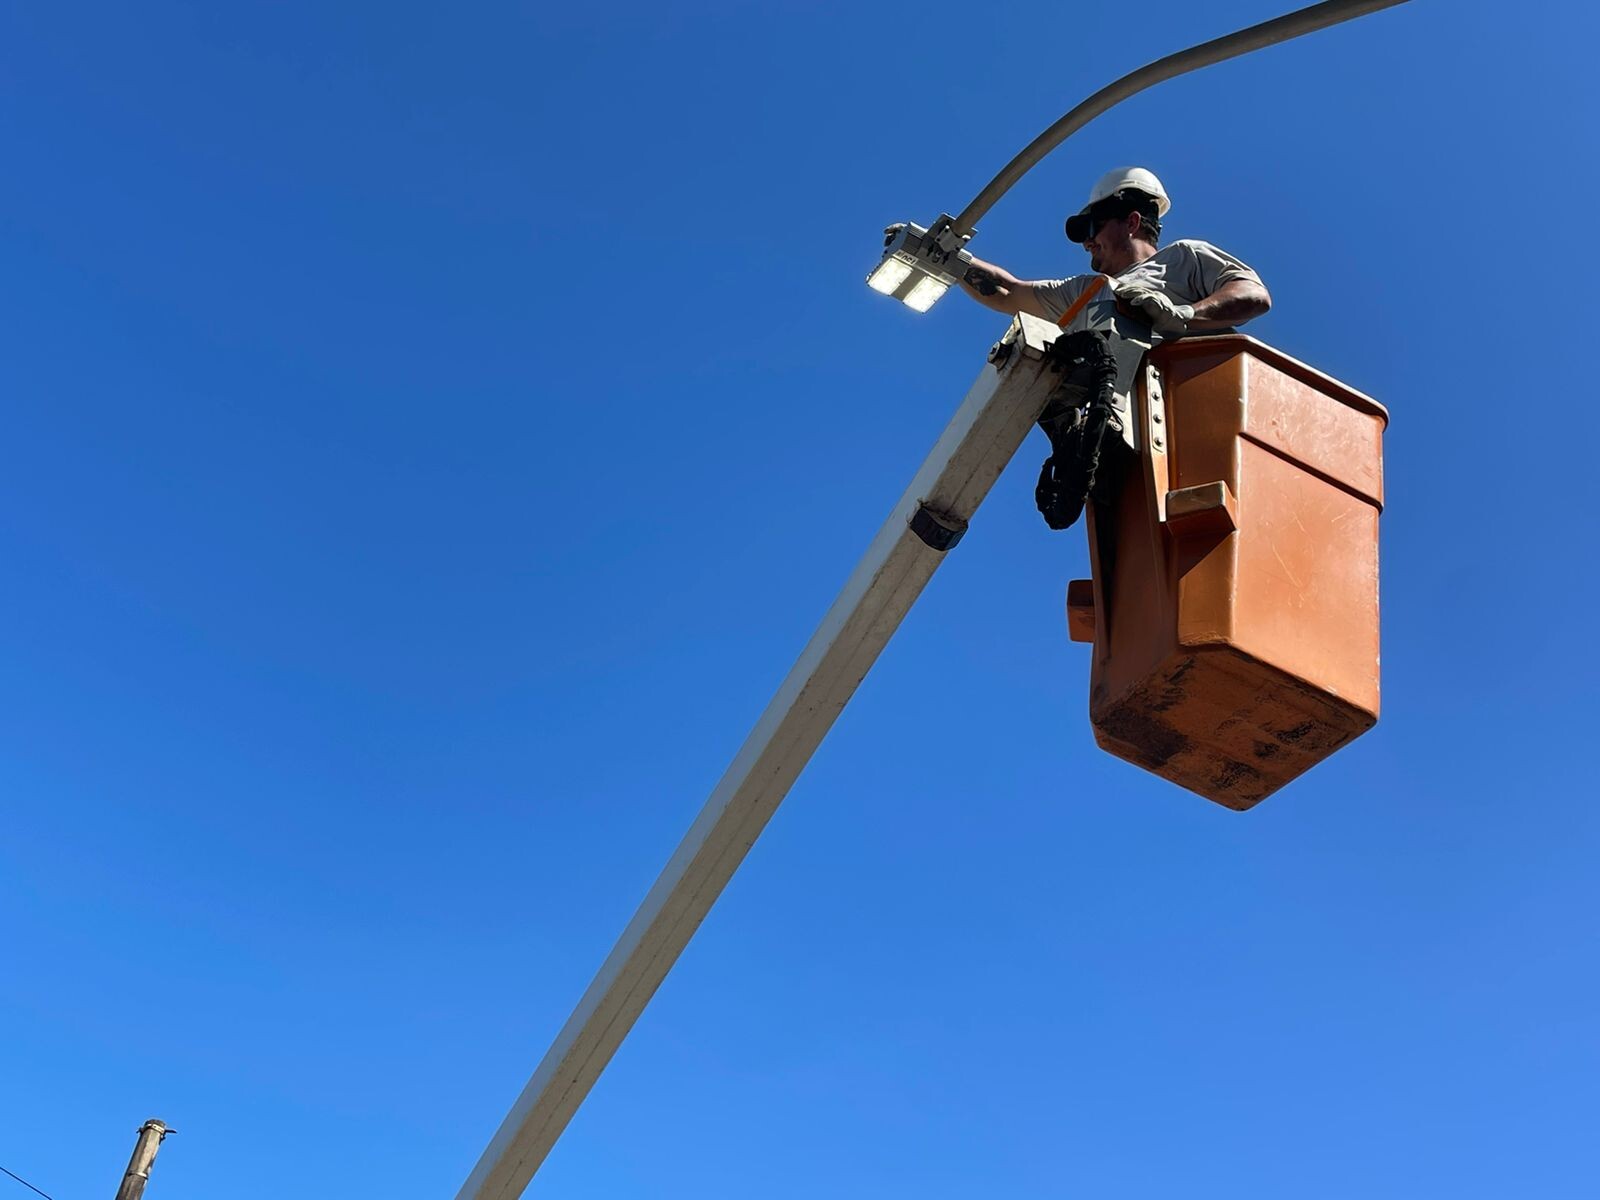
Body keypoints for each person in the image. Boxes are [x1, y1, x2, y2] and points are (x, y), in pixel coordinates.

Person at [956, 166, 1271, 338]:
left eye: (1093, 228)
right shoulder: (1085, 292)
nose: (1087, 243)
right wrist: (947, 260)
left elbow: (1253, 294)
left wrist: (1184, 314)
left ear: (1131, 222)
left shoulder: (1183, 257)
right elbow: (1007, 292)